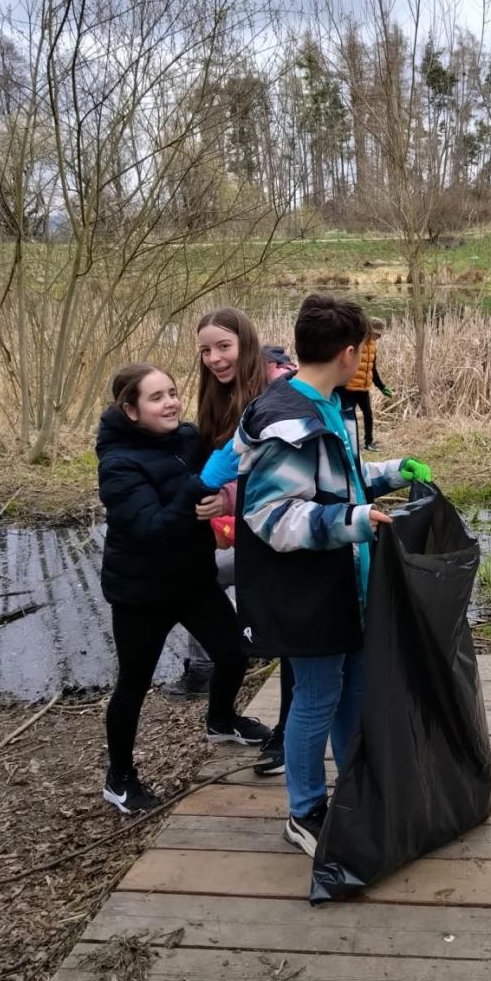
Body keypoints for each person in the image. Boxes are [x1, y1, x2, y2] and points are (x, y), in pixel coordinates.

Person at [232, 294, 432, 855]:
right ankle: (305, 811)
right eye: (364, 349)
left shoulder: (323, 404)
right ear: (349, 353)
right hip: (307, 592)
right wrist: (354, 520)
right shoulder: (286, 421)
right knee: (316, 697)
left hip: (346, 584)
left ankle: (358, 785)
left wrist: (391, 473)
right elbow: (271, 517)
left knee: (355, 689)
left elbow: (336, 478)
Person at [97, 364, 270, 814]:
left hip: (193, 579)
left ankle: (221, 719)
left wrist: (221, 497)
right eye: (156, 398)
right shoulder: (117, 463)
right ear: (131, 410)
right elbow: (152, 528)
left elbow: (217, 483)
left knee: (233, 652)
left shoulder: (187, 439)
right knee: (133, 684)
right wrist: (200, 488)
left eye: (172, 392)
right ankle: (119, 778)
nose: (170, 402)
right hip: (142, 592)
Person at [189, 309, 297, 778]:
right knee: (252, 612)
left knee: (295, 636)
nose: (214, 358)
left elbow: (277, 474)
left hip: (291, 530)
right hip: (252, 535)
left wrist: (227, 496)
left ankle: (290, 736)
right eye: (206, 350)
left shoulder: (280, 390)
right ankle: (213, 684)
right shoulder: (221, 395)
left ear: (246, 343)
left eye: (223, 347)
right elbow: (222, 466)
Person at [338, 316, 392, 450]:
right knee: (349, 417)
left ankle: (369, 443)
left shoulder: (373, 346)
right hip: (349, 388)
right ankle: (349, 443)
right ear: (368, 330)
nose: (379, 336)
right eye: (377, 333)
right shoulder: (355, 343)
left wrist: (382, 387)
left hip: (363, 388)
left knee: (368, 414)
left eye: (380, 334)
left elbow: (372, 369)